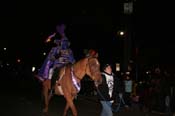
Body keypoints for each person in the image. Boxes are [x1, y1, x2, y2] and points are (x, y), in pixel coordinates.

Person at [35, 23, 75, 88]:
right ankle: (51, 85)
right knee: (51, 70)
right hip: (57, 64)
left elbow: (72, 60)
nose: (64, 44)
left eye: (65, 42)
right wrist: (50, 37)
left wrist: (72, 63)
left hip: (66, 64)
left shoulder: (69, 50)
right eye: (62, 42)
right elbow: (52, 58)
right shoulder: (56, 49)